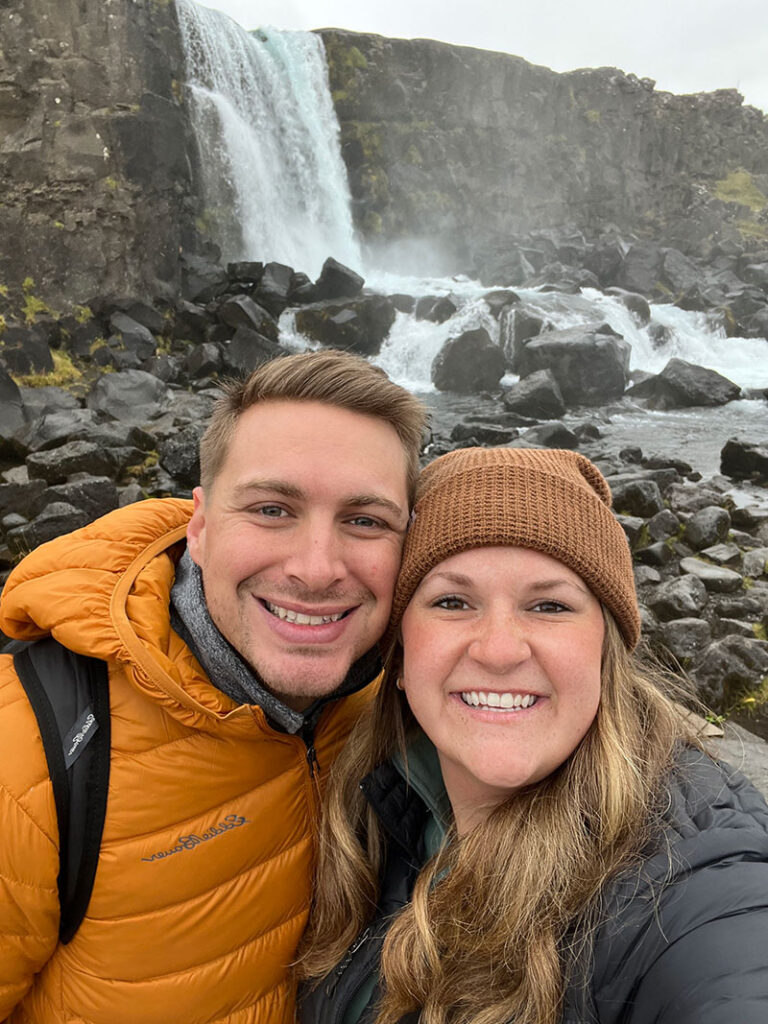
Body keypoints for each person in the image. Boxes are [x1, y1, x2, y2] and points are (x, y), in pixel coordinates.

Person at [0, 350, 427, 1024]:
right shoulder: (29, 747)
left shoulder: (418, 700)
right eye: (271, 509)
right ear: (198, 527)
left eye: (365, 521)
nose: (316, 570)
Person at [298, 446, 768, 1024]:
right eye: (452, 601)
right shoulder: (365, 811)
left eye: (548, 605)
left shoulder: (690, 880)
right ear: (397, 657)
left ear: (605, 649)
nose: (498, 650)